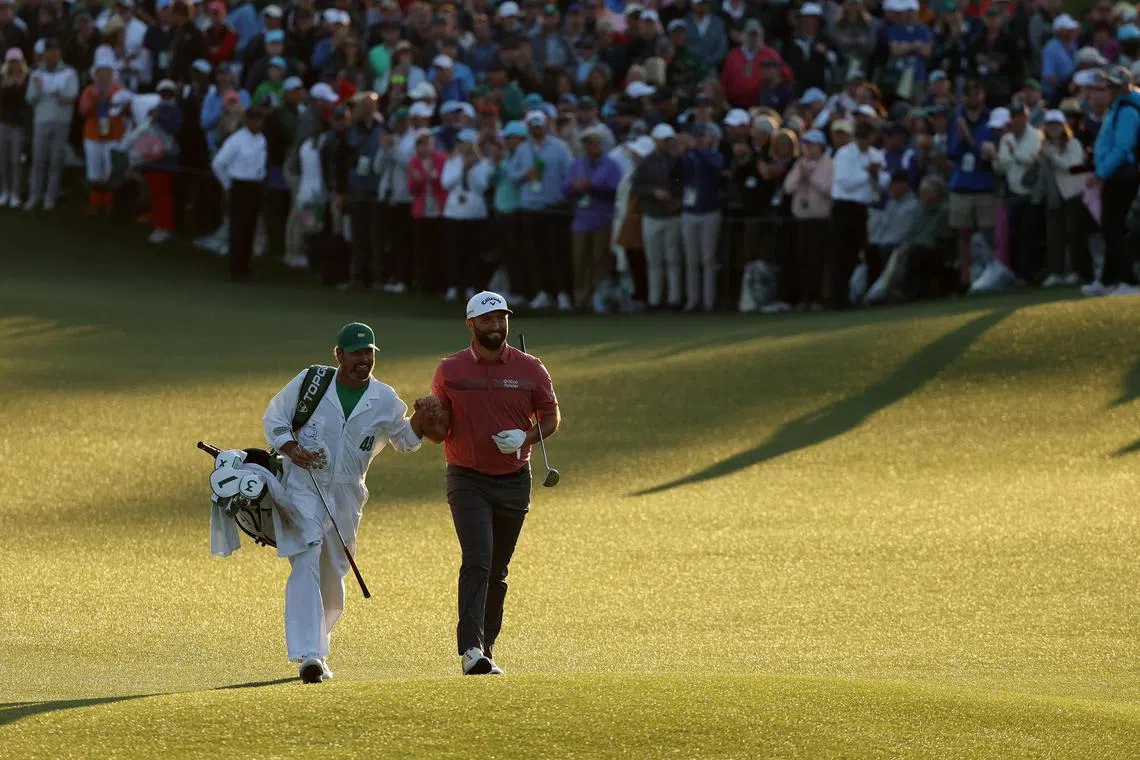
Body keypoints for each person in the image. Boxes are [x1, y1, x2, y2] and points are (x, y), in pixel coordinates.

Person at [262, 322, 439, 683]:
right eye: (356, 352)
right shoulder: (312, 382)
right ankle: (309, 655)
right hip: (303, 485)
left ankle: (320, 640)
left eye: (369, 352)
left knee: (333, 571)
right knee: (306, 557)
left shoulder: (385, 398)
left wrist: (421, 417)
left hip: (347, 494)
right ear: (338, 354)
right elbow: (275, 419)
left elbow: (404, 440)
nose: (363, 360)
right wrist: (292, 450)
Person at [424, 292, 560, 676]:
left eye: (500, 319)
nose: (496, 327)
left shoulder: (531, 368)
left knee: (498, 568)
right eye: (486, 320)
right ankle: (469, 649)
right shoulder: (450, 370)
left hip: (515, 480)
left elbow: (551, 418)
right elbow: (440, 432)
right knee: (478, 558)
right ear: (471, 325)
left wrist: (525, 437)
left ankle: (487, 646)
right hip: (466, 476)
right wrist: (428, 418)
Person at [1089, 65, 1140, 296]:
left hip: (1121, 174)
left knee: (1112, 228)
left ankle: (1129, 281)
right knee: (1111, 227)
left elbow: (1122, 147)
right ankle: (1107, 281)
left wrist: (1102, 173)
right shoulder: (1118, 107)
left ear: (1120, 87)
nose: (1106, 89)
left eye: (1110, 85)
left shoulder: (1127, 110)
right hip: (1118, 174)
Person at [829, 120, 884, 308]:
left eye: (867, 139)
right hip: (844, 208)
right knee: (843, 255)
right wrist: (868, 174)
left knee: (868, 252)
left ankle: (869, 294)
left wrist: (875, 175)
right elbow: (845, 182)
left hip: (865, 208)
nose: (863, 143)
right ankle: (839, 299)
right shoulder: (844, 154)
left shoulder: (876, 155)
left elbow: (884, 182)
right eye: (860, 138)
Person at [213, 105, 268, 282]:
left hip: (255, 185)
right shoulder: (236, 140)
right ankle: (235, 269)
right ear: (247, 121)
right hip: (239, 185)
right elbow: (218, 164)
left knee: (250, 228)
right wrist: (227, 186)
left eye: (261, 120)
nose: (259, 123)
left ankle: (245, 267)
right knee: (238, 229)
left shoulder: (261, 139)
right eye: (255, 119)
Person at [633, 123, 684, 310]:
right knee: (654, 262)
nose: (667, 144)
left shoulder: (678, 161)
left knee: (673, 261)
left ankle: (674, 300)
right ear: (656, 141)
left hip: (673, 216)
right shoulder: (646, 163)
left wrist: (677, 199)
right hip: (652, 216)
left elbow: (682, 184)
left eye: (670, 140)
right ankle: (654, 300)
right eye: (664, 141)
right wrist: (654, 192)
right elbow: (636, 187)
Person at [24, 37, 77, 212]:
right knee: (38, 159)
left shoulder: (69, 73)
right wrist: (41, 88)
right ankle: (34, 196)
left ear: (59, 53)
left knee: (56, 160)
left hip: (61, 120)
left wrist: (52, 89)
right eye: (47, 52)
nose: (50, 55)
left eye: (53, 52)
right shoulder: (36, 73)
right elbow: (30, 98)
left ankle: (49, 198)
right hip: (41, 120)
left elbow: (70, 97)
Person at [783, 129, 833, 310]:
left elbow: (829, 189)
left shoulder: (828, 164)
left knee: (817, 260)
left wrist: (810, 179)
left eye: (811, 145)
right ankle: (803, 298)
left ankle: (817, 299)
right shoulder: (800, 164)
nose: (808, 149)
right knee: (802, 259)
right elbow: (788, 187)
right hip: (801, 219)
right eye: (805, 145)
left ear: (821, 146)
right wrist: (800, 176)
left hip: (819, 219)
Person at [441, 128, 492, 302]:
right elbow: (446, 183)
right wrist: (462, 168)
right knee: (454, 251)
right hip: (454, 212)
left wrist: (472, 168)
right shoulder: (452, 161)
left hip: (475, 213)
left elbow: (481, 186)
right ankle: (454, 286)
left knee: (473, 252)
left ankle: (472, 286)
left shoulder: (483, 163)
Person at [1037, 109, 1087, 287]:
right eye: (1050, 125)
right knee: (1054, 236)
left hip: (1073, 194)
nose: (1053, 128)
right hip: (1054, 196)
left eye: (1056, 125)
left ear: (1062, 126)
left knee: (1074, 234)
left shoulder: (1073, 144)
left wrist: (1053, 157)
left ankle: (1076, 271)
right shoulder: (1044, 147)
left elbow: (1072, 166)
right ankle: (1056, 272)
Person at [679, 124, 724, 312]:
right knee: (691, 259)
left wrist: (696, 152)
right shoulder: (687, 157)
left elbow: (714, 169)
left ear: (708, 138)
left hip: (709, 211)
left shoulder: (714, 155)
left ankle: (708, 300)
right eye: (695, 136)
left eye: (701, 136)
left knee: (708, 258)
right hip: (690, 211)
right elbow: (677, 173)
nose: (698, 139)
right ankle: (692, 300)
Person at [0, 46, 27, 208]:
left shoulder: (27, 79)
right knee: (3, 159)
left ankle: (15, 193)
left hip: (18, 124)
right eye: (11, 62)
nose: (14, 65)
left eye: (16, 62)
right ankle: (5, 191)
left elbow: (24, 101)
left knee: (15, 160)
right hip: (3, 122)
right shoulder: (2, 79)